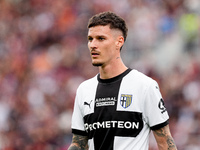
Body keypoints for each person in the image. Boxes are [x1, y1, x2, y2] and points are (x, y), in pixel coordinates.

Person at [68, 11, 177, 150]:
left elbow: (165, 143)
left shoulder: (144, 86)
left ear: (119, 42)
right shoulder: (84, 90)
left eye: (101, 38)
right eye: (90, 39)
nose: (93, 45)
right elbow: (79, 143)